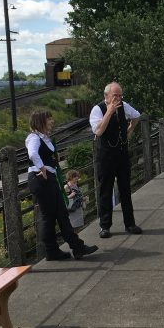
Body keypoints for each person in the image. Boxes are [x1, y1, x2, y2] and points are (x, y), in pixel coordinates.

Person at [26, 110, 98, 260]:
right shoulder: (33, 137)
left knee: (59, 214)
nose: (52, 121)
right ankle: (62, 250)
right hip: (41, 179)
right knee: (50, 216)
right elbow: (32, 154)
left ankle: (67, 249)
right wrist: (42, 168)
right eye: (49, 119)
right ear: (41, 121)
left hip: (47, 179)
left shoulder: (44, 138)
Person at [90, 82, 143, 238]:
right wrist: (109, 111)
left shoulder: (124, 106)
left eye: (120, 95)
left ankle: (130, 224)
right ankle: (105, 226)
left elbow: (137, 116)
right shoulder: (97, 110)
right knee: (105, 190)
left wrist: (129, 130)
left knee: (125, 189)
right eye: (115, 96)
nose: (118, 98)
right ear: (106, 96)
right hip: (105, 155)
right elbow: (98, 131)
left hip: (121, 153)